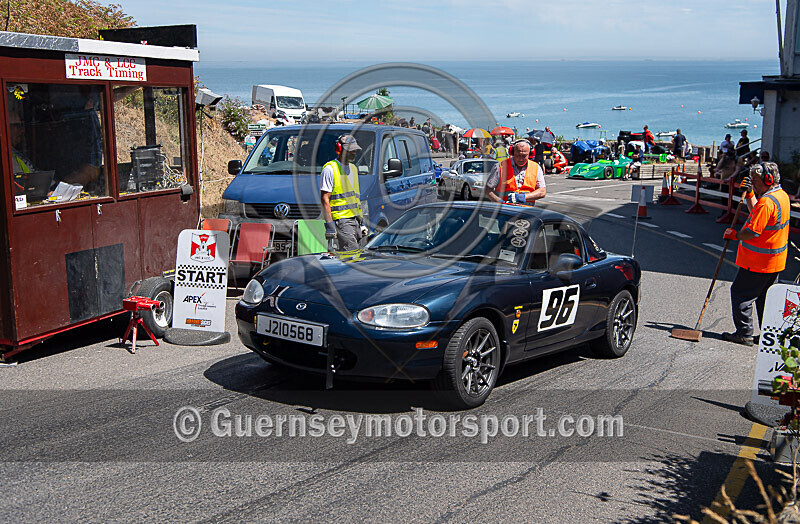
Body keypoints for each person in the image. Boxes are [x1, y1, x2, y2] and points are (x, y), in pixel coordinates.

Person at [721, 162, 790, 345]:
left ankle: (744, 333)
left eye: (755, 181)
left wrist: (735, 235)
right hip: (773, 261)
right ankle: (770, 334)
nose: (752, 183)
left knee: (740, 294)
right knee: (764, 298)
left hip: (758, 261)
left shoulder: (767, 202)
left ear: (768, 179)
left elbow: (753, 231)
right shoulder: (781, 196)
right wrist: (751, 194)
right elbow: (757, 213)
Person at [320, 135, 368, 252]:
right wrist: (330, 226)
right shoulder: (330, 169)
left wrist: (362, 223)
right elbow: (325, 199)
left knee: (357, 255)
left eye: (355, 150)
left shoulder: (354, 169)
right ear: (339, 149)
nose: (353, 153)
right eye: (350, 151)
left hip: (355, 220)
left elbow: (356, 198)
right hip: (341, 221)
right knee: (352, 253)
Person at [484, 139, 546, 206]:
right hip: (506, 211)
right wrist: (499, 202)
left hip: (526, 212)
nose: (521, 159)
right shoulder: (500, 167)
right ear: (512, 153)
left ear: (530, 154)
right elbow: (488, 190)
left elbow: (542, 192)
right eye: (518, 155)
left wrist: (524, 197)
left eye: (524, 156)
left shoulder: (536, 168)